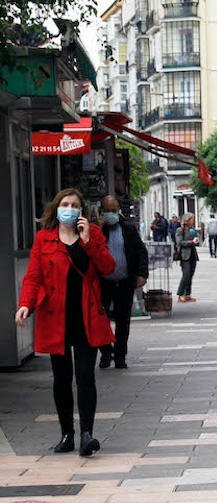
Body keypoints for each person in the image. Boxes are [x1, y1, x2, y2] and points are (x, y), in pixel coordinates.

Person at [15, 188, 116, 457]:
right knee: (61, 378)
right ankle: (66, 434)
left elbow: (108, 267)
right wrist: (25, 304)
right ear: (56, 208)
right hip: (55, 317)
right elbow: (33, 277)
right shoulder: (44, 238)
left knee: (85, 376)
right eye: (65, 204)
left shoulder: (92, 235)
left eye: (74, 205)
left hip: (86, 316)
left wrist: (87, 241)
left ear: (81, 211)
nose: (69, 208)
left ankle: (86, 434)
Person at [97, 196, 148, 370]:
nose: (111, 214)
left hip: (125, 281)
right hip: (103, 282)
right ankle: (105, 351)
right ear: (102, 211)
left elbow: (141, 251)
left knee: (123, 321)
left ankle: (120, 356)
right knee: (99, 320)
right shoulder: (98, 230)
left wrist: (142, 274)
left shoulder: (128, 229)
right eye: (108, 210)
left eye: (114, 210)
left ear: (118, 210)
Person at [175, 213, 200, 303]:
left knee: (190, 275)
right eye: (192, 219)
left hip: (193, 254)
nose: (193, 221)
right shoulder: (180, 229)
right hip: (184, 255)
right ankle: (181, 294)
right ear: (187, 220)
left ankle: (188, 294)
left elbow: (195, 240)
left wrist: (196, 240)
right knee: (186, 274)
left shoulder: (192, 230)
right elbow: (179, 242)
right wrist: (191, 242)